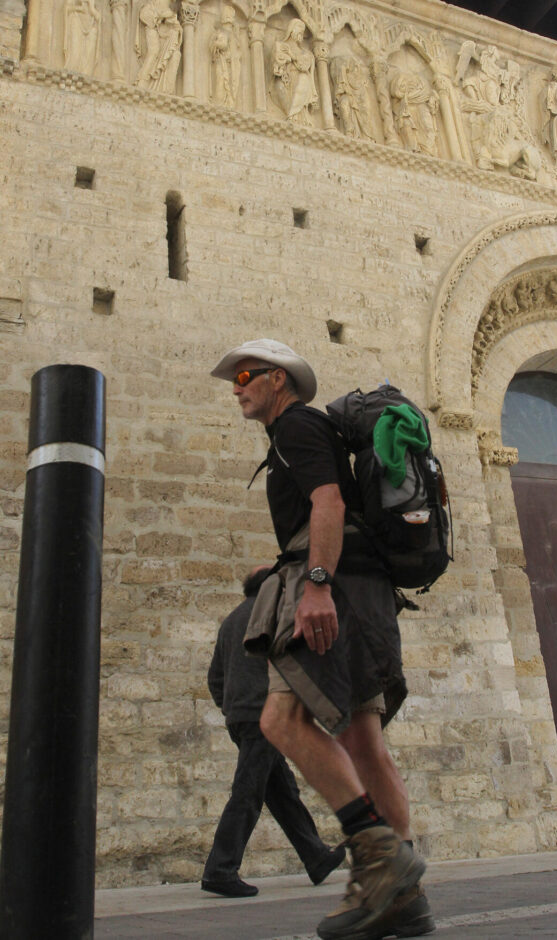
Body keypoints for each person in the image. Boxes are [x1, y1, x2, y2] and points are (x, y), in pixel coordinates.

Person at [210, 339, 434, 940]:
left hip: (339, 593)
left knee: (280, 721)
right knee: (363, 741)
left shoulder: (296, 427)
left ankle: (378, 856)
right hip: (366, 592)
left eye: (246, 374)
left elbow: (328, 502)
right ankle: (405, 899)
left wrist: (314, 585)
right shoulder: (310, 433)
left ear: (279, 379)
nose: (237, 385)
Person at [203, 567, 345, 898]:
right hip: (264, 716)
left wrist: (231, 709)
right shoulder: (275, 614)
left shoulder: (230, 621)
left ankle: (316, 856)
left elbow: (215, 679)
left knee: (281, 791)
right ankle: (220, 869)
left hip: (241, 718)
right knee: (248, 791)